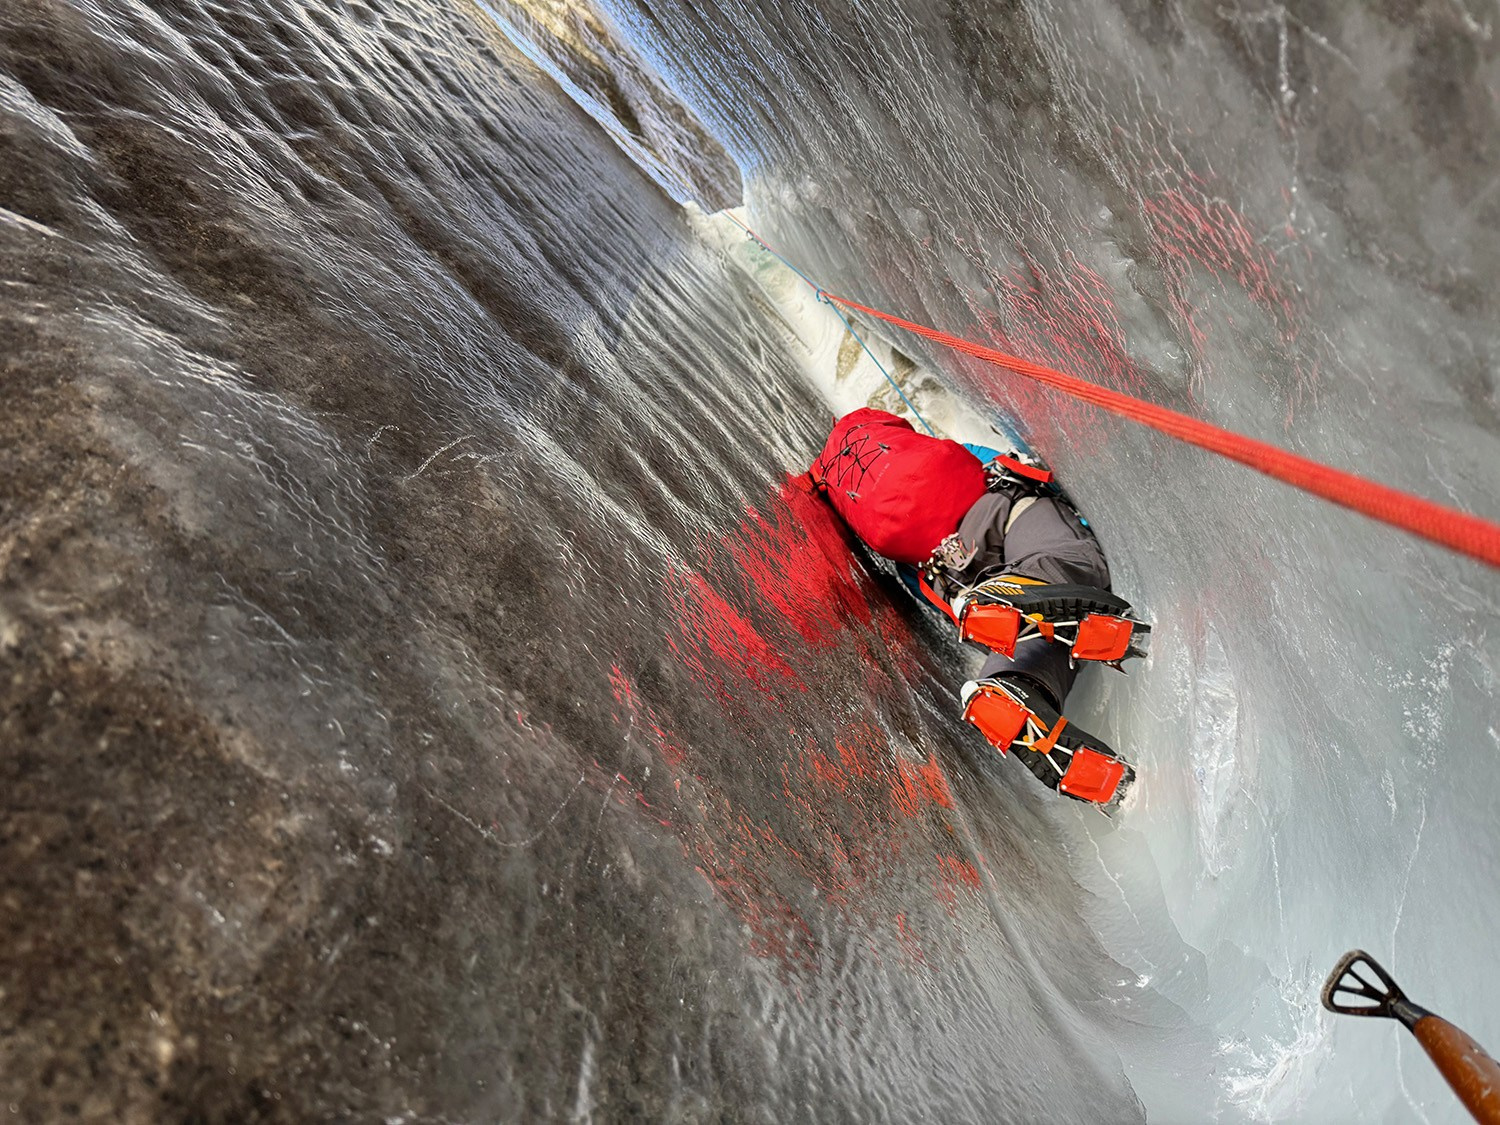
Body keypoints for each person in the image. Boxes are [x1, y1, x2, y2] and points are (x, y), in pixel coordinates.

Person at [807, 408, 1147, 809]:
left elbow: (931, 599)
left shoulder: (894, 549)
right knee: (1066, 563)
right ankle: (1020, 589)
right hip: (1008, 515)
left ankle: (1010, 687)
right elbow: (1004, 464)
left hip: (952, 580)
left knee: (1032, 653)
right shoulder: (940, 453)